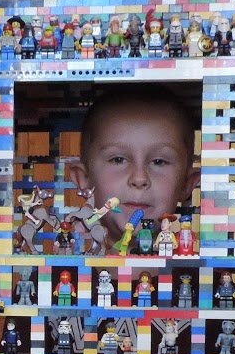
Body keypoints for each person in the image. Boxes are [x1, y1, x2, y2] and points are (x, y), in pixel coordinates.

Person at [70, 82, 198, 243]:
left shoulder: (203, 268)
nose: (139, 179)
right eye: (118, 160)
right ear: (83, 177)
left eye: (158, 162)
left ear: (187, 183)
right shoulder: (62, 267)